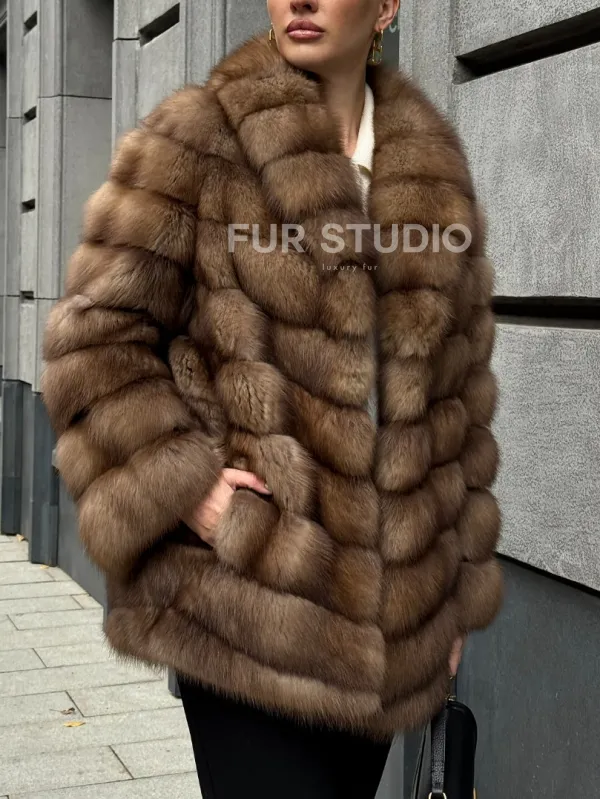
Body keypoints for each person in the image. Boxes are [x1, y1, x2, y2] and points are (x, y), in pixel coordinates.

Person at [40, 0, 504, 796]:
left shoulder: (430, 172)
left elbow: (456, 403)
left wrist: (449, 595)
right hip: (243, 613)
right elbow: (93, 343)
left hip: (384, 637)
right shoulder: (200, 137)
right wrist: (194, 492)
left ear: (387, 8)